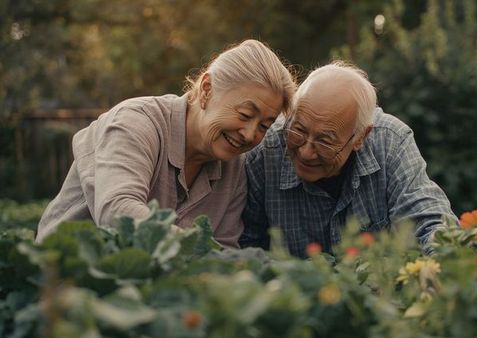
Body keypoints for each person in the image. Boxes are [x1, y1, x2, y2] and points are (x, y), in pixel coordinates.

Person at [36, 39, 296, 247]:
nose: (250, 135)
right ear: (207, 89)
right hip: (62, 283)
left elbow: (225, 247)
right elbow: (118, 211)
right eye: (245, 115)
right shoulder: (136, 122)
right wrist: (194, 245)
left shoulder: (234, 167)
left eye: (264, 125)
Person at [239, 61, 456, 257]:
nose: (305, 152)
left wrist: (444, 262)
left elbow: (429, 219)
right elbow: (246, 245)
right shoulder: (264, 152)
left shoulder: (390, 143)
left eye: (324, 141)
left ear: (361, 137)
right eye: (298, 131)